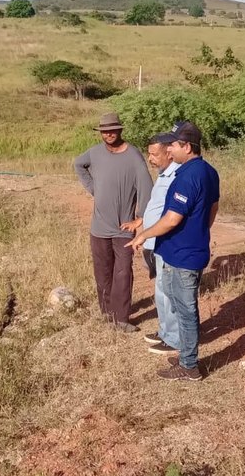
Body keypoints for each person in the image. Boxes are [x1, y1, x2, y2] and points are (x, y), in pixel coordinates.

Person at [126, 122, 220, 381]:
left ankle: (189, 365)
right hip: (182, 250)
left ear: (187, 147)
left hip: (184, 255)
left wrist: (143, 234)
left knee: (186, 309)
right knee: (175, 299)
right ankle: (184, 352)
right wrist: (201, 229)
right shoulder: (208, 172)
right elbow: (213, 208)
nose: (170, 149)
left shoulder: (190, 175)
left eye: (174, 145)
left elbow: (171, 219)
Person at [75, 113, 154, 332]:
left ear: (120, 130)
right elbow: (78, 165)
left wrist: (141, 218)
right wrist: (93, 188)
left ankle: (121, 318)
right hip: (98, 227)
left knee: (122, 272)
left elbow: (146, 188)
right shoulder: (94, 153)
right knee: (102, 271)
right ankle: (107, 312)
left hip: (123, 228)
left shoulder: (133, 156)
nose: (108, 134)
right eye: (104, 131)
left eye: (112, 130)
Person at [121, 131, 182, 355]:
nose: (151, 159)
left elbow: (173, 214)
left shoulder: (178, 176)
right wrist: (141, 221)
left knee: (169, 292)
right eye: (149, 154)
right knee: (160, 290)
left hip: (164, 241)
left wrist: (145, 233)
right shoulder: (164, 174)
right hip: (153, 241)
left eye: (154, 154)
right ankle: (166, 332)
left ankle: (174, 338)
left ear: (169, 153)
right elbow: (157, 206)